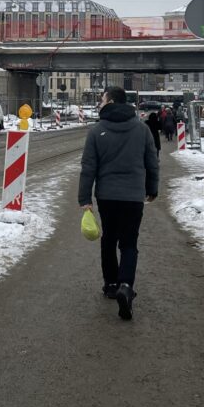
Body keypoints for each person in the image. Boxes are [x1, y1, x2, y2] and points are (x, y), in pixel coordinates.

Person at [78, 85, 159, 321]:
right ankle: (126, 285)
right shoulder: (141, 129)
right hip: (134, 197)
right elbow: (152, 162)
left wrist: (85, 199)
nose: (101, 103)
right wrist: (152, 188)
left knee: (109, 239)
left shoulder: (97, 131)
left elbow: (88, 167)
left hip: (107, 196)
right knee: (129, 243)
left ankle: (111, 284)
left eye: (103, 99)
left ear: (111, 101)